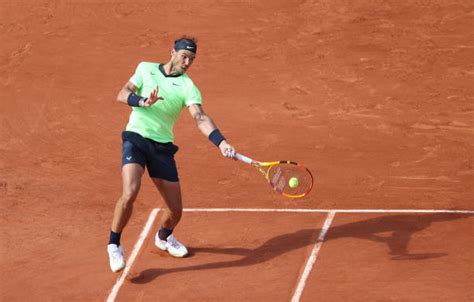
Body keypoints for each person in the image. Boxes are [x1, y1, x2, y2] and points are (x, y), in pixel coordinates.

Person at [107, 36, 236, 272]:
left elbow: (200, 117)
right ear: (173, 52)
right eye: (184, 56)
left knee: (176, 210)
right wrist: (142, 100)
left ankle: (164, 237)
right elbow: (122, 93)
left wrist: (221, 142)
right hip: (136, 138)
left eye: (192, 59)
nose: (187, 62)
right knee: (130, 192)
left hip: (162, 148)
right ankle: (114, 245)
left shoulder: (188, 87)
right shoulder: (145, 69)